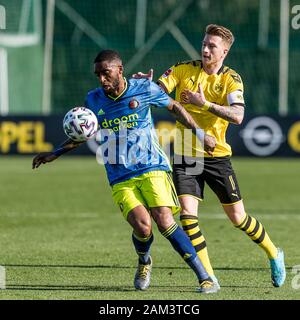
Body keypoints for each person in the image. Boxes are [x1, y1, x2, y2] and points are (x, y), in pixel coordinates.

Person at [32, 49, 220, 293]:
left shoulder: (144, 88)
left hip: (152, 166)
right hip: (119, 175)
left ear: (120, 70)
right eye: (98, 75)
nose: (101, 79)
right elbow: (84, 133)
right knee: (143, 227)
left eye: (106, 73)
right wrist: (54, 153)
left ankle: (205, 278)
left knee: (164, 220)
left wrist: (199, 133)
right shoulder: (94, 100)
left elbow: (174, 107)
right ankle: (144, 261)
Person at [133, 24, 286, 288]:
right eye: (204, 43)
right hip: (184, 154)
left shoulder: (231, 79)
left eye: (212, 46)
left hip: (216, 157)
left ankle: (274, 253)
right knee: (188, 216)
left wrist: (203, 103)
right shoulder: (183, 69)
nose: (205, 49)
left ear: (224, 51)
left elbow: (238, 116)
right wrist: (143, 86)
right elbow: (157, 90)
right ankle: (209, 277)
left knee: (238, 218)